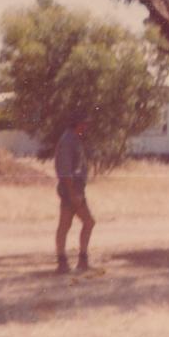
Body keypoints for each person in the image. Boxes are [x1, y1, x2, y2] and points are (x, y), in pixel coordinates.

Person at [54, 115, 96, 274]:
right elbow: (65, 172)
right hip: (72, 191)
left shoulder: (73, 139)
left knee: (65, 225)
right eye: (85, 123)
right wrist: (73, 194)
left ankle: (66, 262)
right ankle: (77, 261)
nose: (87, 127)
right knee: (87, 222)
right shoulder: (67, 141)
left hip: (74, 190)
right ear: (78, 123)